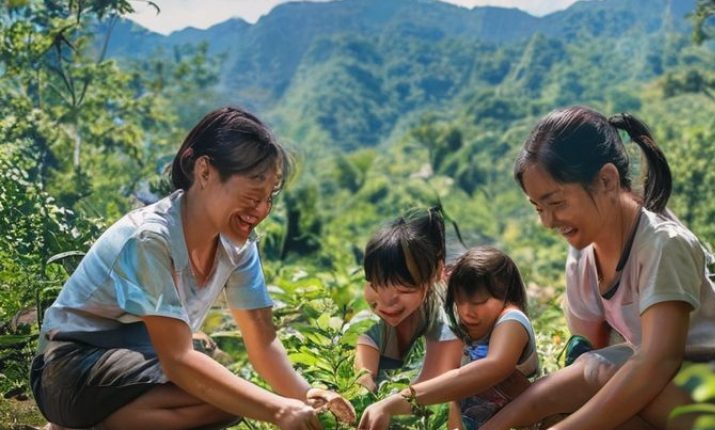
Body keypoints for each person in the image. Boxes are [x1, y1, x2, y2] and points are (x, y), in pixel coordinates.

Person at [30, 107, 351, 430]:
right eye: (253, 196)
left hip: (137, 367)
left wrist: (305, 394)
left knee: (227, 402)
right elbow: (178, 358)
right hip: (66, 371)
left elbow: (262, 340)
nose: (260, 210)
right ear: (205, 171)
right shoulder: (150, 239)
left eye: (268, 198)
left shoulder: (238, 246)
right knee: (222, 393)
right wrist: (278, 410)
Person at [480, 106, 715, 430]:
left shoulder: (662, 245)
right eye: (538, 208)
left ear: (606, 180)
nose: (547, 221)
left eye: (557, 203)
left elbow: (658, 361)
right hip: (665, 392)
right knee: (581, 394)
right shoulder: (582, 257)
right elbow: (585, 357)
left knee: (607, 372)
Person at [357, 246, 539, 430]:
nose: (468, 313)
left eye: (480, 302)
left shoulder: (512, 319)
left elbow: (494, 366)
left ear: (506, 296)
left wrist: (396, 402)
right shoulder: (462, 331)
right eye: (460, 301)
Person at [353, 207, 464, 425]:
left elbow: (429, 394)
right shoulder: (368, 326)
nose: (387, 302)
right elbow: (362, 385)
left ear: (434, 274)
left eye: (403, 290)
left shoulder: (448, 325)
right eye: (376, 285)